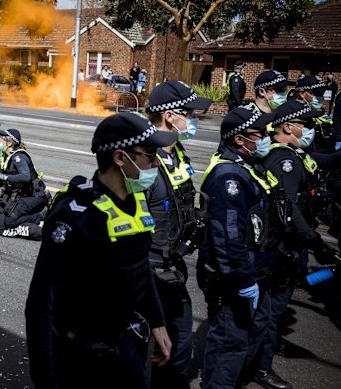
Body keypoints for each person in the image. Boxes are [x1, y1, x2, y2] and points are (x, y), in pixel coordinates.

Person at [26, 112, 175, 389]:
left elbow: (140, 265)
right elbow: (40, 304)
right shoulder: (76, 217)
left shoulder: (137, 202)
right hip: (79, 359)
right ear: (120, 158)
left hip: (124, 345)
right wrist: (45, 378)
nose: (157, 163)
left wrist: (157, 320)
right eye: (150, 154)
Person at [252, 100, 340, 389]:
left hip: (295, 244)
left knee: (282, 301)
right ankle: (261, 367)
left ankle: (268, 349)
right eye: (307, 124)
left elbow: (321, 161)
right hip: (285, 245)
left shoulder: (296, 152)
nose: (312, 129)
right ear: (288, 127)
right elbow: (289, 208)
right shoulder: (284, 160)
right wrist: (316, 243)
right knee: (274, 311)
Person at [197, 107, 280, 388]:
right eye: (260, 134)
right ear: (239, 140)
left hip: (254, 270)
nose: (266, 138)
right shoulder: (228, 177)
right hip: (234, 277)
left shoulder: (246, 167)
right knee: (228, 345)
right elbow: (228, 236)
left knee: (253, 332)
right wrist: (244, 280)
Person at [145, 80, 212, 389]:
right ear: (169, 116)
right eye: (190, 113)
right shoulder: (144, 160)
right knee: (142, 348)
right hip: (149, 272)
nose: (196, 120)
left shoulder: (177, 153)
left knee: (180, 344)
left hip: (174, 266)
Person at [0, 128, 49, 228]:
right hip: (22, 193)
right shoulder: (5, 156)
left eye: (2, 138)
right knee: (0, 210)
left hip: (34, 195)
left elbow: (26, 177)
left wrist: (5, 177)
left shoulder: (19, 157)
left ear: (9, 143)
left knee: (9, 221)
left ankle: (40, 215)